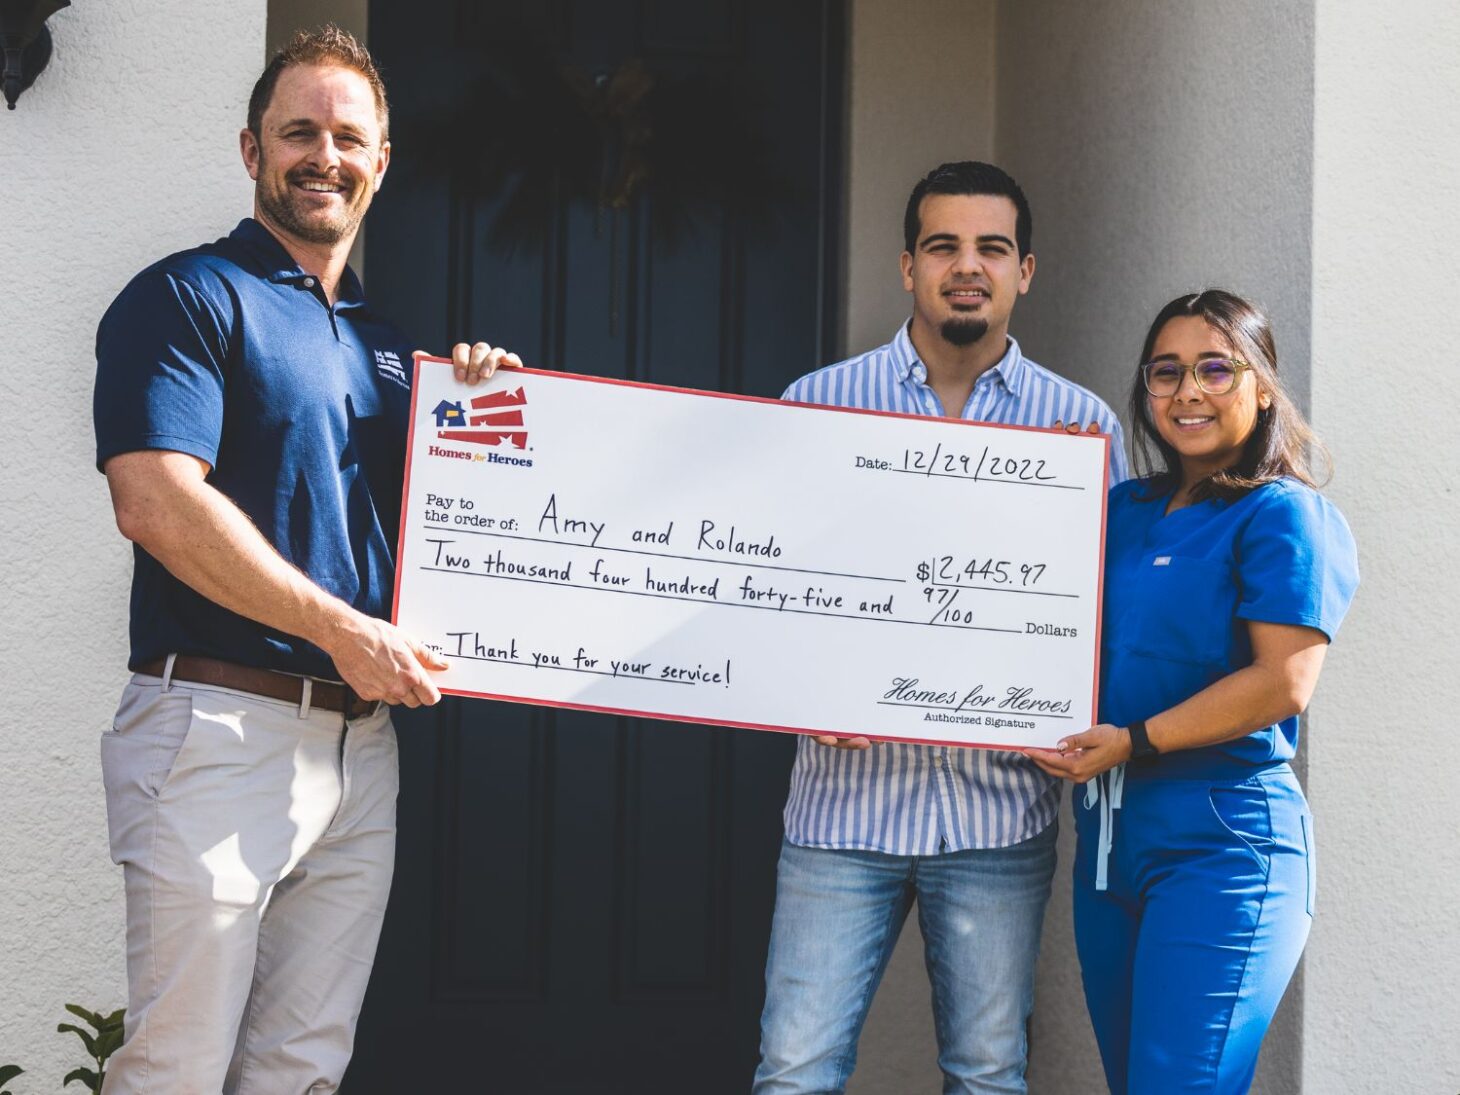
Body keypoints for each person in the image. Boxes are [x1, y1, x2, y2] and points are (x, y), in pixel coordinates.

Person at [92, 27, 514, 1093]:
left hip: (357, 748)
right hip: (218, 730)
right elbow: (153, 501)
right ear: (250, 150)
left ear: (381, 161)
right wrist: (341, 630)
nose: (323, 156)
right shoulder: (186, 298)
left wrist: (488, 405)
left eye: (347, 137)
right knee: (178, 1068)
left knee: (301, 1067)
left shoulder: (382, 338)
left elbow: (455, 519)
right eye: (298, 133)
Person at [753, 161, 1128, 1095]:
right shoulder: (815, 405)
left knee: (989, 1076)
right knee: (794, 1072)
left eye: (991, 248)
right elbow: (758, 596)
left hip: (1000, 815)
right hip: (842, 808)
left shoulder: (1082, 428)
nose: (969, 266)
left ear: (1025, 270)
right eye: (944, 246)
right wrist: (797, 686)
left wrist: (1090, 714)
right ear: (907, 267)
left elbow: (1108, 614)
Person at [1029, 290, 1359, 1093]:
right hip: (1108, 851)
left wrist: (1136, 739)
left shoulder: (1285, 515)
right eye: (1166, 372)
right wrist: (1047, 481)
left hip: (1224, 846)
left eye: (1217, 368)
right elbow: (1028, 600)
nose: (1189, 391)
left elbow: (1284, 680)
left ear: (1261, 384)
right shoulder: (1123, 510)